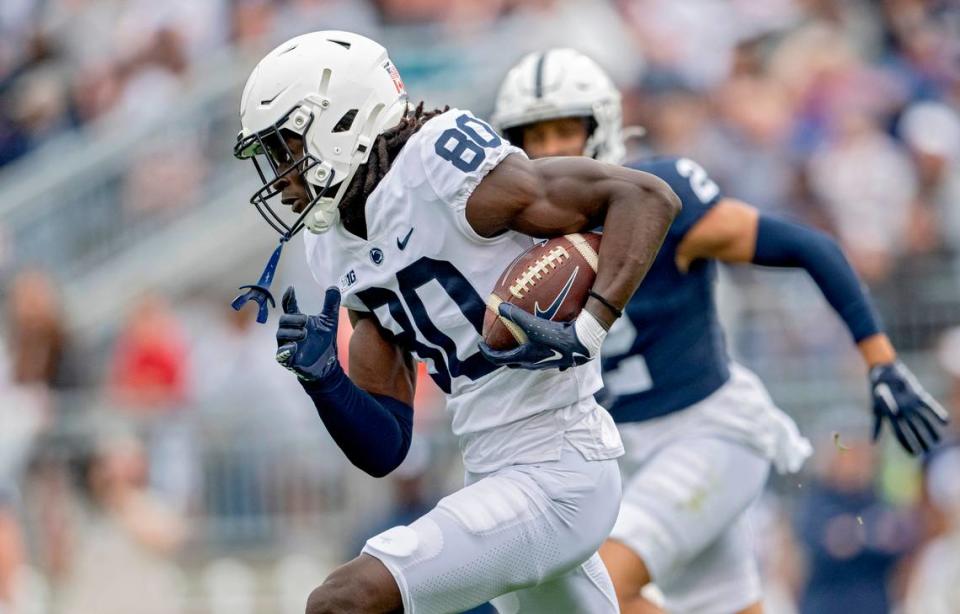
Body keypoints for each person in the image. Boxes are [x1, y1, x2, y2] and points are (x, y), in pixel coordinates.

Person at [232, 31, 679, 614]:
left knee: (341, 601)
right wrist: (325, 382)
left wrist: (590, 326)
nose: (280, 174)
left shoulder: (437, 160)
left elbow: (646, 197)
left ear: (338, 122)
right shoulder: (332, 247)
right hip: (494, 473)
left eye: (287, 148)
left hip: (559, 466)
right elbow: (387, 447)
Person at [491, 48, 950, 614]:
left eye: (567, 130)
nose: (553, 151)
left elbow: (809, 246)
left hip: (707, 433)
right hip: (617, 454)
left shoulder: (660, 198)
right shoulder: (512, 249)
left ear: (603, 129)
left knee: (600, 592)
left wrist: (880, 359)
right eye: (535, 136)